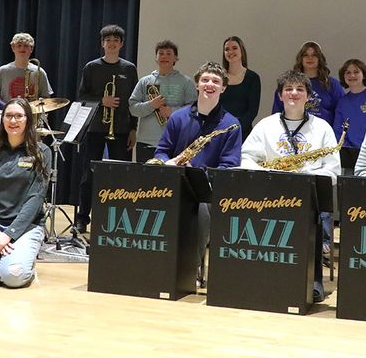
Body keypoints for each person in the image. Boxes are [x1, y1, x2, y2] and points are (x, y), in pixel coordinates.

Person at [241, 70, 341, 302]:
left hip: (309, 197)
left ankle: (313, 282)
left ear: (308, 96)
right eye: (288, 89)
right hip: (270, 195)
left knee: (316, 223)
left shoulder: (323, 128)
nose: (294, 93)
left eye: (299, 89)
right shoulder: (265, 125)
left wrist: (307, 176)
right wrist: (268, 174)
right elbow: (246, 158)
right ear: (280, 96)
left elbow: (333, 169)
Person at [154, 62, 242, 287]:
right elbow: (162, 151)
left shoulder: (231, 125)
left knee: (199, 209)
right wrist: (169, 162)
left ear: (223, 88)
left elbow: (229, 166)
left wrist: (201, 174)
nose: (209, 84)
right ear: (196, 84)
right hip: (176, 181)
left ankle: (190, 271)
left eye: (216, 81)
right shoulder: (178, 117)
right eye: (205, 80)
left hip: (208, 190)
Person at [0, 98, 51, 288]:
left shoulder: (41, 152)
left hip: (26, 226)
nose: (13, 121)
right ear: (3, 119)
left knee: (13, 277)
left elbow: (36, 198)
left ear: (28, 120)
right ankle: (0, 259)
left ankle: (18, 259)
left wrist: (9, 234)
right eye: (9, 116)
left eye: (19, 116)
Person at [72, 25, 138, 234]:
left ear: (121, 44)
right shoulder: (91, 67)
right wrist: (102, 100)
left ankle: (119, 218)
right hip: (95, 129)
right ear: (102, 43)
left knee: (121, 176)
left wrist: (133, 129)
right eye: (108, 40)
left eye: (116, 40)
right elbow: (82, 97)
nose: (111, 43)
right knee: (88, 176)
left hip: (122, 129)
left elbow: (134, 101)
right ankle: (82, 218)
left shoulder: (129, 69)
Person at [129, 40, 198, 162]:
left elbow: (194, 109)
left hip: (175, 141)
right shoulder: (145, 81)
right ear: (156, 58)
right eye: (160, 53)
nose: (164, 57)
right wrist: (150, 105)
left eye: (169, 53)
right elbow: (133, 108)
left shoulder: (186, 82)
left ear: (175, 58)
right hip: (146, 142)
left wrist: (173, 112)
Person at [272, 41, 345, 127]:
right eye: (306, 55)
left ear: (320, 58)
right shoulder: (288, 84)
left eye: (314, 55)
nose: (310, 58)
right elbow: (277, 115)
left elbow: (341, 114)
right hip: (292, 132)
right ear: (301, 58)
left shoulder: (332, 84)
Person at [334, 59, 366, 148]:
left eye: (356, 72)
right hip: (351, 152)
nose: (352, 75)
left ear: (364, 75)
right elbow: (339, 131)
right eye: (348, 72)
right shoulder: (342, 102)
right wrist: (349, 149)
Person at [0, 33, 54, 100]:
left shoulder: (39, 72)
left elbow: (46, 98)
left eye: (26, 46)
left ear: (31, 49)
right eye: (19, 45)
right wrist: (5, 105)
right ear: (13, 48)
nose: (22, 48)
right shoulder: (2, 71)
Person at [221, 36, 261, 139]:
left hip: (243, 131)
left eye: (234, 48)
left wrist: (236, 128)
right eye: (227, 49)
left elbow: (253, 110)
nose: (231, 52)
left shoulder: (253, 78)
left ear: (241, 50)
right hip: (220, 130)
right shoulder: (219, 77)